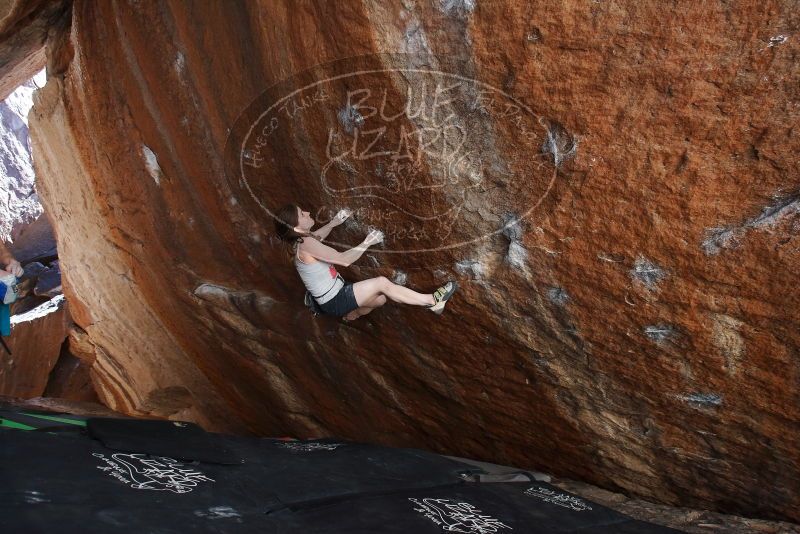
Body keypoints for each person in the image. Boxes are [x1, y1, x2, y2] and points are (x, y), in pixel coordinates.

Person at [274, 204, 457, 321]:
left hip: (336, 294)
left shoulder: (301, 241)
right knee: (381, 283)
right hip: (335, 300)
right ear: (296, 227)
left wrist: (334, 223)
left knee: (380, 299)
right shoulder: (306, 244)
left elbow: (318, 236)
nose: (307, 212)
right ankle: (432, 301)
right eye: (301, 214)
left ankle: (352, 314)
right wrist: (367, 242)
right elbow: (344, 261)